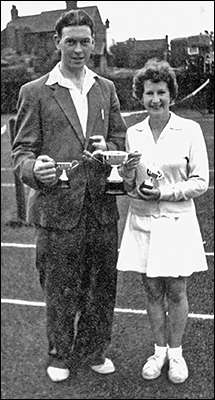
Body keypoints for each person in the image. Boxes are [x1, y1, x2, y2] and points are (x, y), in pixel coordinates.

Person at [11, 9, 126, 382]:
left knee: (100, 284)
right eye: (71, 41)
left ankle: (93, 349)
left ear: (94, 43)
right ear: (56, 42)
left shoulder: (106, 88)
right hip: (57, 208)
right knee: (60, 287)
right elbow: (21, 152)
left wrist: (106, 146)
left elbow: (121, 139)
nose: (78, 49)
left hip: (100, 207)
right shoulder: (34, 91)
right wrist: (34, 169)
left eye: (85, 42)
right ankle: (59, 354)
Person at [117, 58, 209, 384]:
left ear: (171, 93)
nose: (155, 99)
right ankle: (158, 351)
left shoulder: (190, 130)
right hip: (143, 221)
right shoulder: (133, 133)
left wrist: (164, 193)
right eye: (148, 93)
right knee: (152, 291)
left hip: (176, 221)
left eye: (161, 92)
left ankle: (177, 353)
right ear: (139, 97)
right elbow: (128, 186)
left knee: (177, 290)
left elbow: (200, 181)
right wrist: (128, 175)